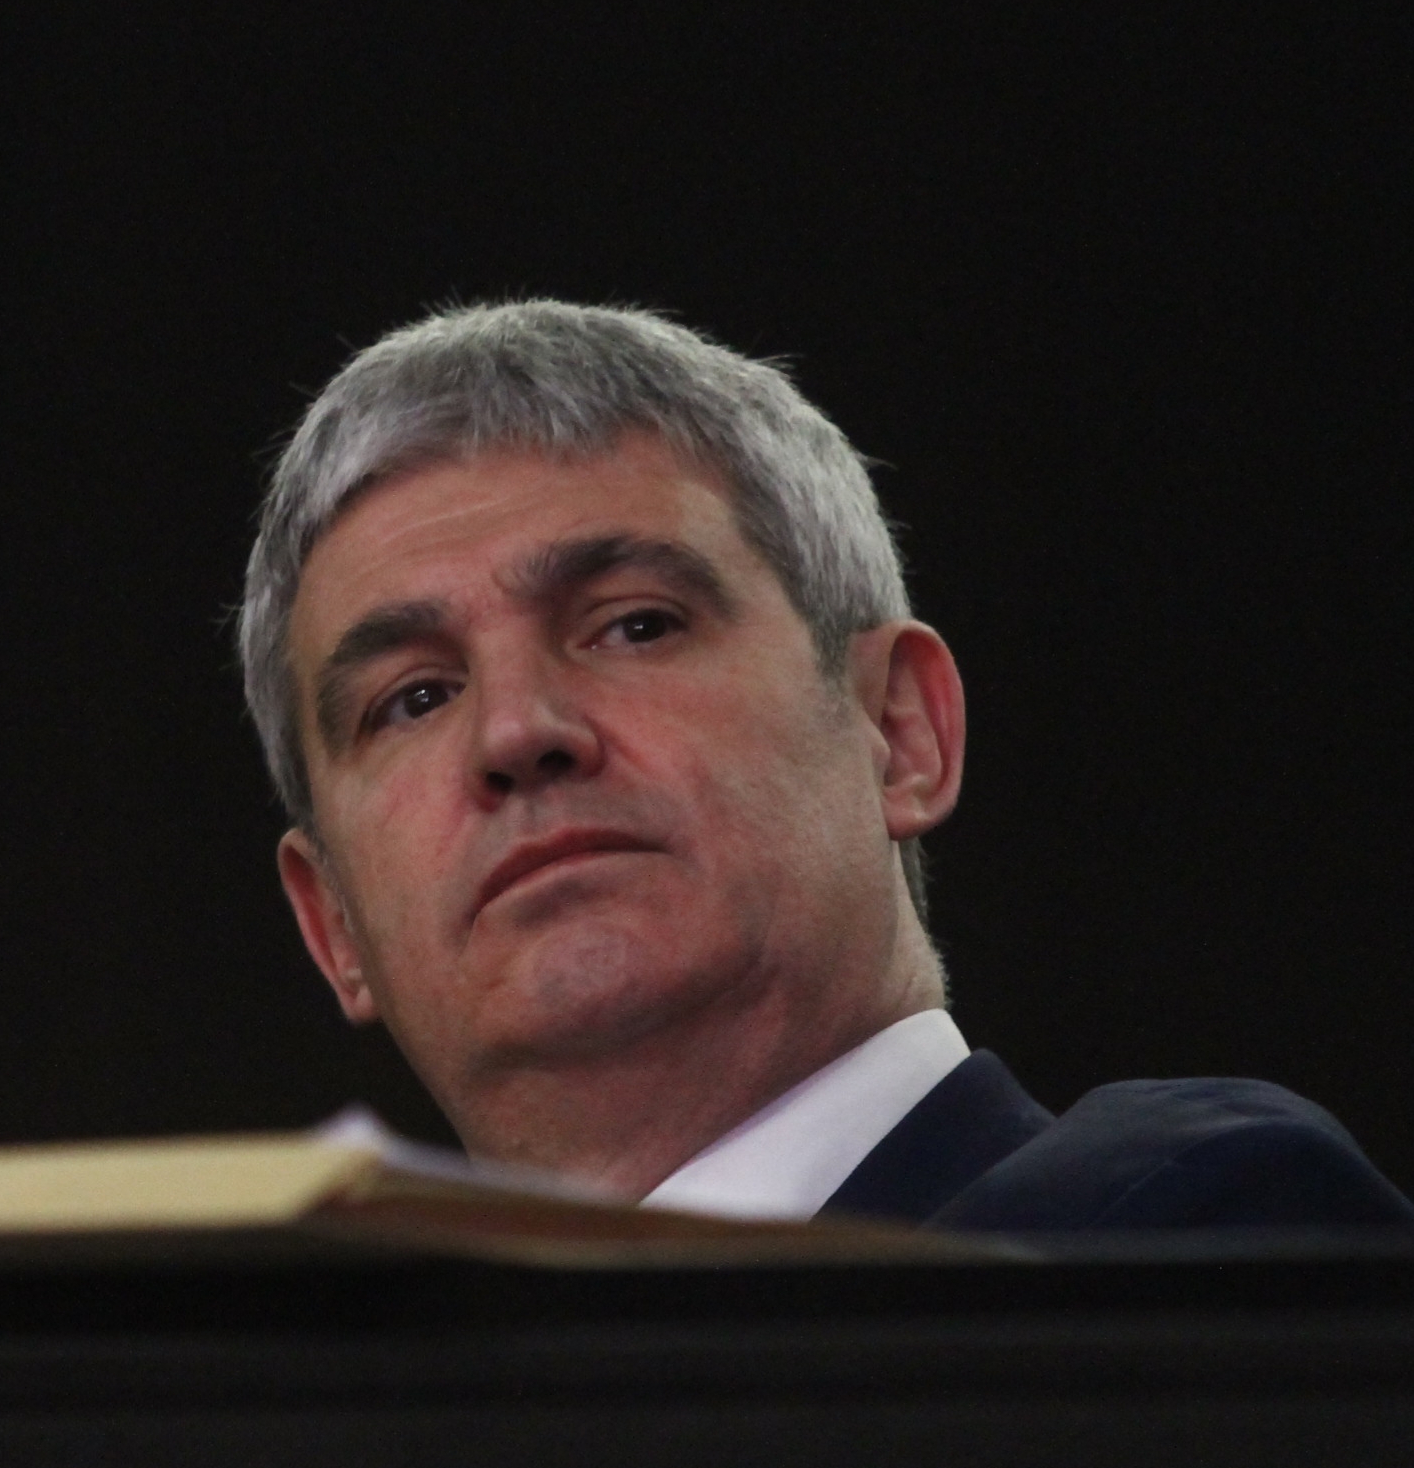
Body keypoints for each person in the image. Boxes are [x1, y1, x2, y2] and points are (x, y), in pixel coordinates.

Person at [237, 300, 1411, 1231]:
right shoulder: (293, 1414)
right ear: (333, 924)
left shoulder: (1177, 1230)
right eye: (415, 697)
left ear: (898, 729)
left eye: (633, 624)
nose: (514, 731)